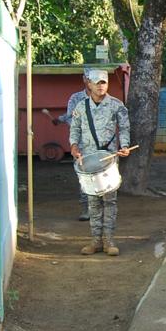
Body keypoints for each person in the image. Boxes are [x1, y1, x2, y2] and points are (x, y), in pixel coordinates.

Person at [69, 69, 132, 256]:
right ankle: (95, 240)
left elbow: (125, 128)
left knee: (110, 201)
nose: (100, 86)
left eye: (103, 82)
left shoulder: (116, 105)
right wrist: (73, 146)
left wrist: (125, 145)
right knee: (93, 201)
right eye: (96, 82)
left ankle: (109, 241)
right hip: (88, 160)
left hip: (109, 159)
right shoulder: (81, 107)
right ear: (88, 83)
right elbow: (75, 130)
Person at [53, 66, 91, 221]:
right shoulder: (76, 98)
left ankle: (101, 211)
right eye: (88, 78)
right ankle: (86, 209)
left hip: (102, 146)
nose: (92, 82)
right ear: (84, 79)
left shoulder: (107, 100)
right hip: (82, 145)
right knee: (84, 177)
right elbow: (71, 118)